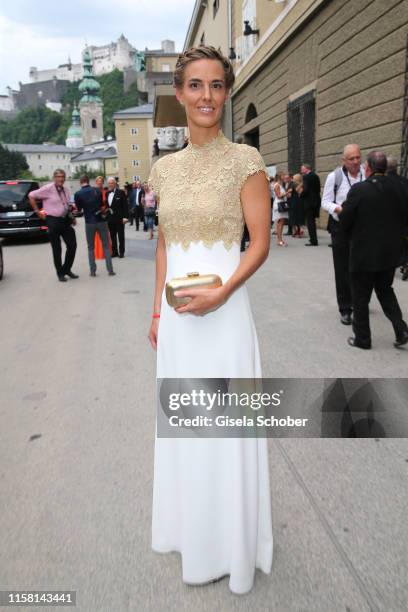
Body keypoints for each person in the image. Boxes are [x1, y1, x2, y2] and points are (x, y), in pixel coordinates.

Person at [147, 45, 273, 594]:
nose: (206, 96)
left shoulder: (245, 162)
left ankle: (231, 547)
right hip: (178, 319)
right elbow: (164, 245)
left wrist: (224, 292)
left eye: (216, 85)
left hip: (225, 312)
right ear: (179, 95)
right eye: (195, 86)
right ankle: (191, 535)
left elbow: (261, 243)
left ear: (227, 91)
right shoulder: (163, 169)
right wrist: (156, 310)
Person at [339, 151, 408, 349]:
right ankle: (401, 329)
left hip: (364, 253)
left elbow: (345, 222)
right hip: (389, 253)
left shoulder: (360, 190)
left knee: (360, 297)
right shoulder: (399, 188)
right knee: (386, 291)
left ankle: (362, 338)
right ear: (384, 167)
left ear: (368, 168)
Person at [321, 144, 365, 325]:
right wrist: (339, 209)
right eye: (351, 159)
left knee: (361, 268)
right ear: (344, 160)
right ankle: (345, 308)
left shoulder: (365, 173)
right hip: (340, 228)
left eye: (357, 157)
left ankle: (360, 303)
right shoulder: (335, 177)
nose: (356, 162)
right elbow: (325, 202)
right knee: (343, 269)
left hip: (361, 228)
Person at [29, 169, 78, 282]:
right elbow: (31, 195)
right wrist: (38, 211)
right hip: (52, 220)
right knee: (57, 249)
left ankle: (66, 269)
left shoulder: (66, 190)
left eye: (63, 176)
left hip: (65, 220)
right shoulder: (48, 188)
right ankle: (60, 273)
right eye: (58, 176)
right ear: (54, 178)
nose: (61, 179)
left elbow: (68, 205)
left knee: (72, 245)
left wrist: (73, 217)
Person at [74, 174, 115, 277]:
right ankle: (110, 270)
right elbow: (101, 205)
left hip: (89, 222)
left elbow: (79, 210)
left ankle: (93, 271)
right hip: (101, 220)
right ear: (89, 180)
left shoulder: (78, 194)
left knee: (90, 247)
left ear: (80, 182)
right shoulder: (97, 191)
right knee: (106, 246)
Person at [106, 177, 128, 258]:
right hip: (110, 219)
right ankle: (115, 252)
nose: (110, 184)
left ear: (115, 184)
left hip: (119, 218)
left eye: (112, 183)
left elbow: (125, 205)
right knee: (112, 236)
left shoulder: (121, 192)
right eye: (109, 183)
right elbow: (107, 206)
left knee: (121, 236)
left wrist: (125, 217)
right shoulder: (107, 193)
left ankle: (121, 252)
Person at [300, 163, 321, 246]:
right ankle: (314, 239)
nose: (301, 170)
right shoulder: (316, 176)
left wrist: (300, 195)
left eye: (302, 169)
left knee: (310, 222)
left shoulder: (306, 177)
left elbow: (306, 190)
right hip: (316, 201)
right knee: (313, 221)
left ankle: (313, 240)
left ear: (306, 169)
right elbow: (318, 189)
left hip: (309, 202)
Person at [272, 171, 289, 246]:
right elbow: (278, 196)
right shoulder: (277, 185)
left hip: (281, 203)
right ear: (280, 177)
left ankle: (280, 240)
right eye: (284, 175)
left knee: (281, 223)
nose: (285, 176)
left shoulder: (280, 185)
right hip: (279, 204)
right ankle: (279, 240)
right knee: (280, 223)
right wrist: (287, 192)